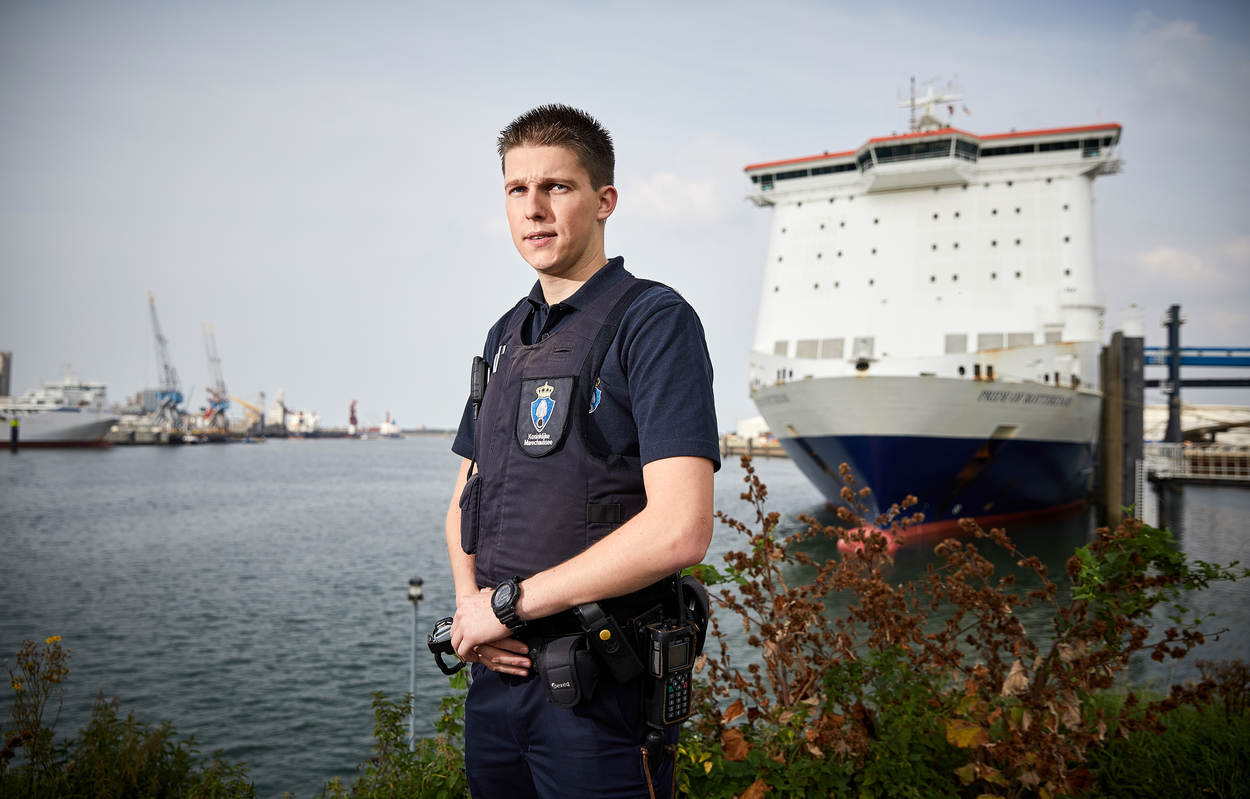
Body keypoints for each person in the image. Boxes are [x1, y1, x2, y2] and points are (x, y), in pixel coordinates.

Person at [444, 104, 720, 798]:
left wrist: (507, 605)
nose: (533, 208)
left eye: (556, 187)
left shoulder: (653, 321)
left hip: (600, 695)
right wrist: (472, 608)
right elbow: (466, 496)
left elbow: (681, 528)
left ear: (604, 201)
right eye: (517, 189)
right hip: (497, 686)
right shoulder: (505, 335)